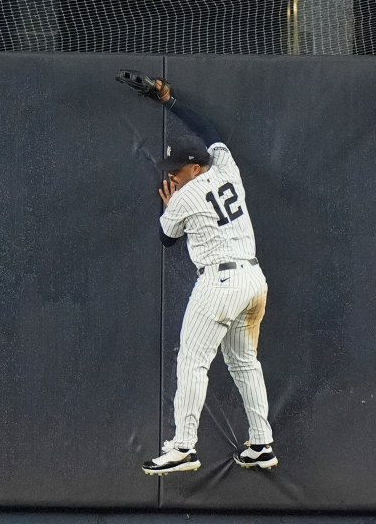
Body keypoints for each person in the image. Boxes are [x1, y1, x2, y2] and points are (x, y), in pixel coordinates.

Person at [117, 70, 277, 476]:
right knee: (244, 363)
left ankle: (183, 446)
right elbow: (211, 131)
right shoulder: (225, 166)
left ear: (194, 168)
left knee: (192, 360)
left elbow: (166, 238)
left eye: (176, 168)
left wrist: (168, 205)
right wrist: (170, 101)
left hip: (220, 283)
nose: (170, 173)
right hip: (253, 282)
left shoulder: (186, 195)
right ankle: (261, 442)